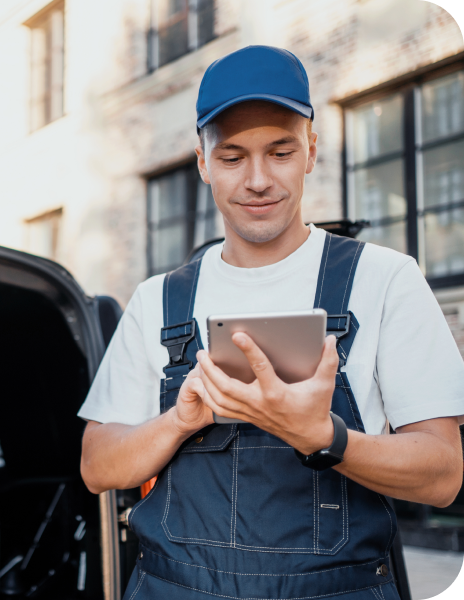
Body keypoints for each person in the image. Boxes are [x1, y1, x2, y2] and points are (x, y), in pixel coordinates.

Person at [78, 45, 464, 600]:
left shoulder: (384, 281)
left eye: (280, 152)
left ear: (311, 150)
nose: (258, 180)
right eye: (232, 158)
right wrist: (180, 421)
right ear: (203, 163)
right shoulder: (157, 300)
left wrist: (324, 437)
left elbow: (444, 475)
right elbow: (97, 467)